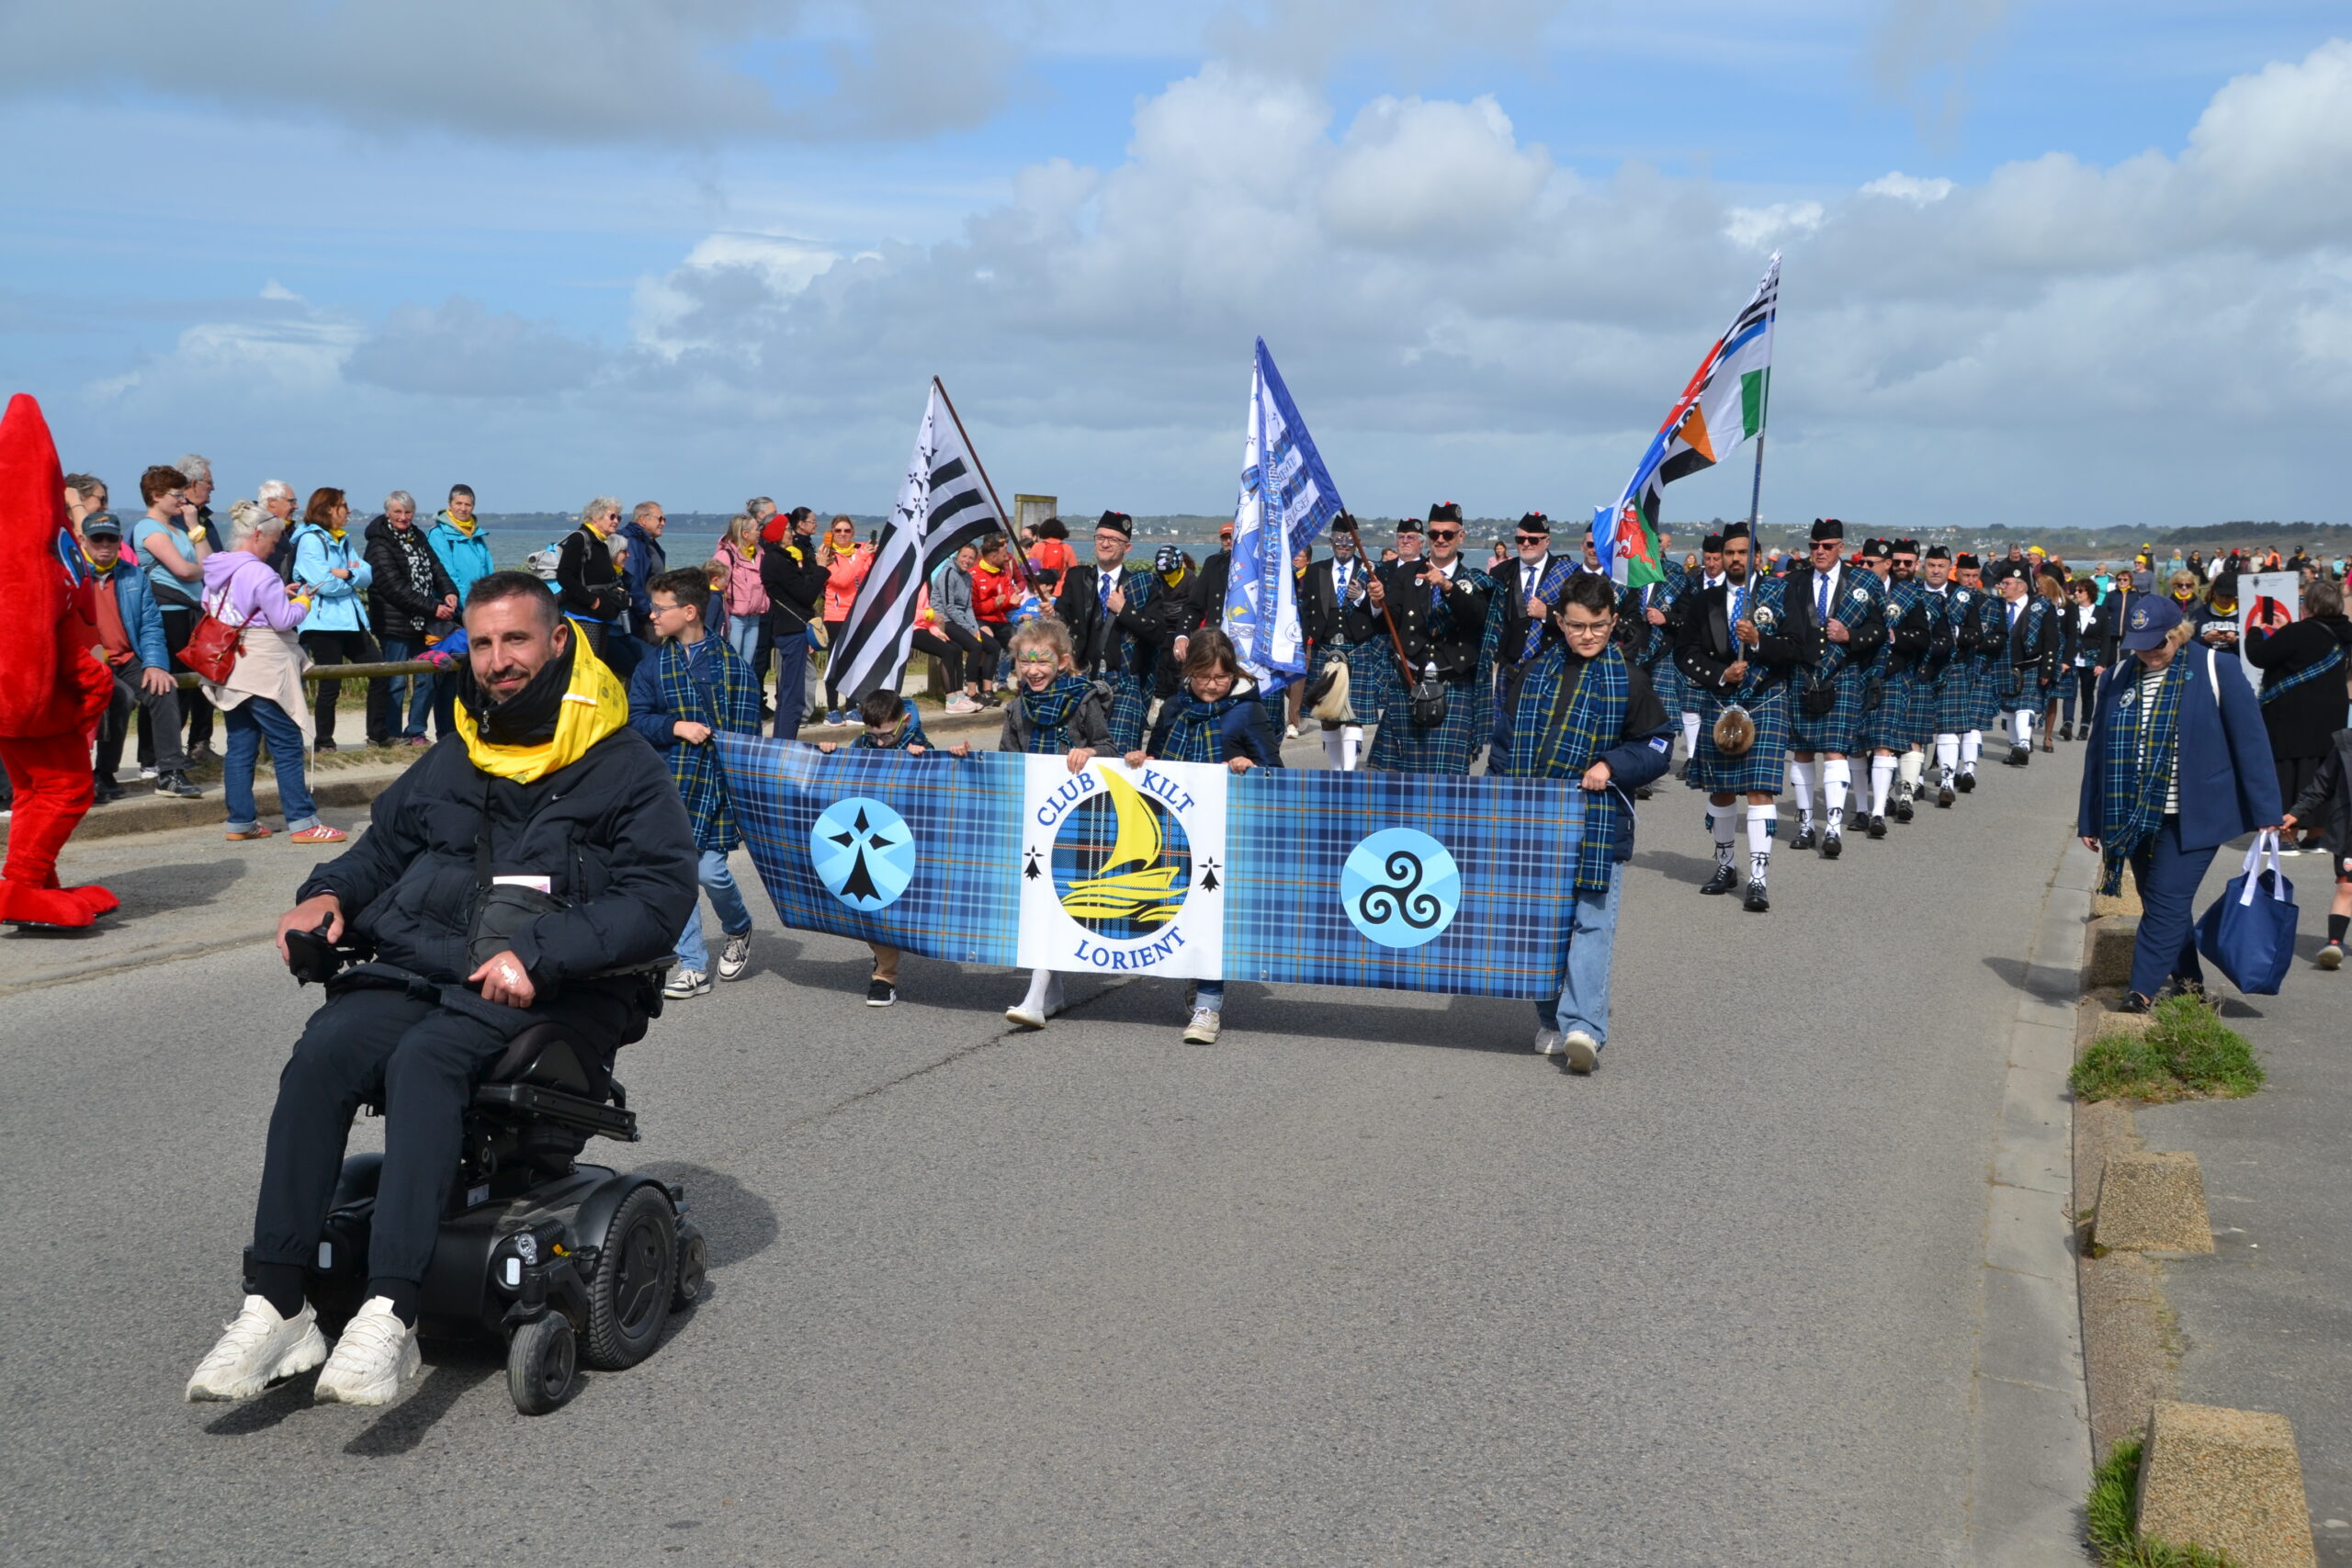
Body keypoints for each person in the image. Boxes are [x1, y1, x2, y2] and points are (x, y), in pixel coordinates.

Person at [184, 570, 695, 1407]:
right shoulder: (460, 747)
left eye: (516, 639)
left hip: (552, 989)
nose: (497, 660)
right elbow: (383, 848)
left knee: (426, 1060)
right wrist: (327, 894)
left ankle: (392, 1310)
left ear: (557, 640)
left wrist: (541, 954)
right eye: (483, 643)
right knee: (324, 1051)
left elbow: (659, 896)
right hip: (428, 967)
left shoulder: (621, 762)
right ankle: (276, 1303)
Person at [1496, 571, 1673, 1070]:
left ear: (1613, 621)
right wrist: (1495, 804)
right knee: (1538, 926)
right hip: (1532, 820)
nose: (1588, 635)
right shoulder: (1531, 674)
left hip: (1599, 822)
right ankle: (1551, 1020)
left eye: (1598, 625)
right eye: (1576, 626)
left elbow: (1658, 745)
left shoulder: (1631, 680)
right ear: (1559, 621)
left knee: (1592, 924)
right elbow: (1504, 748)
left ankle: (1583, 1028)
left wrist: (1612, 765)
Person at [2080, 596, 2282, 1012]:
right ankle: (2189, 986)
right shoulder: (2116, 676)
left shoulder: (2216, 668)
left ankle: (2140, 991)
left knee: (2168, 899)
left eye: (2158, 644)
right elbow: (2097, 753)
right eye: (2140, 646)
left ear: (2179, 633)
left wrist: (2267, 812)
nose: (2149, 653)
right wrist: (2090, 817)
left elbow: (2251, 742)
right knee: (2159, 902)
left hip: (2197, 814)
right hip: (2132, 813)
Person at [1125, 628, 1279, 1045]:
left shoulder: (1248, 711)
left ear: (1234, 674)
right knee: (1179, 911)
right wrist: (1140, 760)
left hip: (1225, 832)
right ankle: (1195, 973)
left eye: (1221, 677)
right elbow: (1157, 760)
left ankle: (1209, 1004)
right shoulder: (1174, 707)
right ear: (1188, 672)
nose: (1212, 685)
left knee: (1213, 917)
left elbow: (1276, 772)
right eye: (1203, 676)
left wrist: (1250, 767)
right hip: (1175, 831)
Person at [627, 568, 763, 999]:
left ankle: (738, 926)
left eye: (659, 608)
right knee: (680, 873)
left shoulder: (737, 669)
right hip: (669, 783)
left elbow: (748, 737)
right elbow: (635, 719)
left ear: (689, 612)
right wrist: (675, 727)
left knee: (710, 872)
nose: (652, 615)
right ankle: (692, 966)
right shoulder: (652, 665)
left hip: (719, 784)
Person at [993, 616, 1113, 1031]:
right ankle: (1053, 991)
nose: (1033, 670)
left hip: (1075, 819)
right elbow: (1007, 761)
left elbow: (1109, 747)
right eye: (1025, 661)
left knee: (1053, 898)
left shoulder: (1083, 700)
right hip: (1032, 817)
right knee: (1038, 901)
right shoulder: (1016, 708)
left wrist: (1090, 753)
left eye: (1042, 661)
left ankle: (1034, 997)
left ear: (1062, 662)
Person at [201, 501, 344, 846]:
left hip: (231, 667)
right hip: (263, 668)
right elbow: (282, 620)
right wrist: (302, 603)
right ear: (256, 535)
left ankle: (240, 820)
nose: (275, 548)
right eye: (273, 540)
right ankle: (303, 821)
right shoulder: (260, 572)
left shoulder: (217, 567)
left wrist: (278, 595)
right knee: (287, 743)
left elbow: (226, 608)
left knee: (241, 745)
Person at [1673, 521, 1790, 911]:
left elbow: (1799, 648)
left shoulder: (1779, 593)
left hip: (1766, 697)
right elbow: (1685, 652)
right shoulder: (1704, 600)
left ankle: (1758, 878)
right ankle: (1725, 866)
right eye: (1730, 553)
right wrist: (1721, 673)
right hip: (1721, 698)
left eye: (1743, 552)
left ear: (1756, 556)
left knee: (1759, 790)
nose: (1736, 559)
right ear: (1721, 557)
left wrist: (1759, 642)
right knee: (1721, 789)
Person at [817, 688, 937, 1005]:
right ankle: (884, 972)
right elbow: (843, 776)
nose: (880, 743)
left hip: (907, 839)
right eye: (873, 735)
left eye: (886, 735)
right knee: (872, 902)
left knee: (899, 905)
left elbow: (943, 783)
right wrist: (830, 755)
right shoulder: (864, 744)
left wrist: (926, 761)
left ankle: (885, 973)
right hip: (870, 836)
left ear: (904, 720)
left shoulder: (920, 745)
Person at [79, 513, 203, 801]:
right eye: (98, 538)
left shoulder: (134, 575)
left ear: (120, 541)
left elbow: (150, 625)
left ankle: (170, 773)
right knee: (119, 697)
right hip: (87, 663)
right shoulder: (72, 575)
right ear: (83, 541)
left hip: (126, 657)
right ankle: (103, 774)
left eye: (111, 538)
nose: (105, 544)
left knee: (164, 688)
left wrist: (155, 664)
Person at [1364, 505, 1496, 776]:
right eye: (1435, 533)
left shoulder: (1474, 579)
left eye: (1448, 534)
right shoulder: (1407, 574)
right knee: (1399, 780)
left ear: (1461, 536)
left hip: (1453, 686)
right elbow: (1387, 623)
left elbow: (1478, 618)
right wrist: (1377, 602)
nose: (1440, 539)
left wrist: (1448, 588)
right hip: (1409, 684)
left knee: (1446, 781)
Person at [1781, 518, 1885, 858]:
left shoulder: (1864, 581)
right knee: (1801, 750)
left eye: (1827, 546)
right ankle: (1806, 826)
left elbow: (1879, 629)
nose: (1819, 552)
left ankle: (1833, 829)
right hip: (1803, 673)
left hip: (1843, 673)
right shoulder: (1794, 581)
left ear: (1841, 547)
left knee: (1835, 751)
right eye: (1814, 546)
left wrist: (1850, 636)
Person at [2246, 576, 2352, 852]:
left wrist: (2255, 630)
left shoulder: (2297, 633)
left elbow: (2259, 656)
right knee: (2325, 770)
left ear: (2310, 606)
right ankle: (2317, 835)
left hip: (2293, 714)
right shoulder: (2346, 631)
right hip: (2333, 709)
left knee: (2289, 772)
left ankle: (2287, 837)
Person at [131, 463, 216, 764]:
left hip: (191, 612)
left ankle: (171, 753)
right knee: (165, 684)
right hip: (167, 612)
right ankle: (151, 757)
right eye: (176, 494)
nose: (182, 500)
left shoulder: (179, 529)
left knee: (187, 686)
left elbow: (210, 563)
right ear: (156, 496)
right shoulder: (147, 528)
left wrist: (194, 526)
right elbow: (183, 570)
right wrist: (200, 568)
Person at [1054, 512, 1159, 752]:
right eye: (1100, 537)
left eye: (1113, 539)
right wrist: (1051, 615)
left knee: (1118, 756)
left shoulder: (1143, 584)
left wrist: (1124, 610)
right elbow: (1061, 619)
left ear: (1127, 547)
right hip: (1080, 677)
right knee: (1076, 753)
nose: (1105, 543)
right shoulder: (1077, 577)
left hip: (1123, 682)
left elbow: (1157, 633)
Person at [1486, 512, 1579, 777]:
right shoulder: (1501, 571)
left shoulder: (1568, 572)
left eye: (1533, 539)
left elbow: (1579, 616)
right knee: (1508, 734)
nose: (1526, 544)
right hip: (1511, 667)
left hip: (1551, 665)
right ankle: (1505, 780)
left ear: (1547, 541)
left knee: (1546, 735)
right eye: (1520, 539)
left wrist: (1547, 612)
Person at [365, 491, 459, 746]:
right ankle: (392, 733)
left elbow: (436, 567)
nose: (403, 517)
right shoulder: (379, 544)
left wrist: (449, 591)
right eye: (398, 512)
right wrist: (433, 608)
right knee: (395, 680)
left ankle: (416, 731)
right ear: (388, 513)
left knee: (427, 676)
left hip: (422, 623)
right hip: (393, 622)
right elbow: (394, 588)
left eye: (408, 512)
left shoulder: (417, 535)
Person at [288, 487, 376, 752]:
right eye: (343, 506)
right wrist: (350, 578)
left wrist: (346, 574)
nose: (349, 511)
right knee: (331, 683)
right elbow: (323, 584)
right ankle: (324, 741)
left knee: (381, 670)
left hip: (350, 619)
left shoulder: (343, 539)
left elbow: (367, 574)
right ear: (328, 509)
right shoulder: (311, 540)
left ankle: (378, 734)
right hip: (322, 623)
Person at [1299, 514, 1386, 772]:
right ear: (1331, 542)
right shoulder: (1316, 570)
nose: (1344, 546)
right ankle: (1336, 771)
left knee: (1353, 715)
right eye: (1339, 540)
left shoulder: (1371, 570)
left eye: (1349, 541)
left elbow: (1381, 612)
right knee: (1327, 714)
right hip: (1324, 648)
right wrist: (1302, 644)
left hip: (1358, 647)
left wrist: (1362, 598)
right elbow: (1305, 611)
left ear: (1357, 543)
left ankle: (1348, 772)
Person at [2280, 720, 2352, 967]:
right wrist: (2296, 813)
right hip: (2349, 830)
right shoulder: (2346, 744)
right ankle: (2334, 944)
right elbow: (2322, 784)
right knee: (2347, 887)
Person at [758, 505, 825, 739]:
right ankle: (785, 743)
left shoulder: (777, 559)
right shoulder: (778, 561)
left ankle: (784, 740)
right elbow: (805, 594)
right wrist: (821, 568)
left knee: (789, 691)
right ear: (777, 534)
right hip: (791, 630)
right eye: (787, 529)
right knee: (792, 694)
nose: (791, 533)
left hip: (788, 628)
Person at [1990, 569, 2060, 767]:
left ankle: (2023, 744)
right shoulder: (1996, 606)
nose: (2003, 587)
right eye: (2002, 583)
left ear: (2021, 587)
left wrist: (2047, 669)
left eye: (2007, 584)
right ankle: (2015, 748)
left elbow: (2052, 640)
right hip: (2003, 665)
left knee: (2025, 706)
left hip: (2030, 664)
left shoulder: (2041, 607)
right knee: (2008, 709)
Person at [815, 514, 875, 723]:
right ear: (832, 532)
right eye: (838, 530)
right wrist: (862, 557)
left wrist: (870, 554)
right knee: (836, 664)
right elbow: (841, 580)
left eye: (847, 530)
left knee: (854, 663)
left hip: (859, 615)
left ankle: (851, 706)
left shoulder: (860, 552)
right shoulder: (827, 554)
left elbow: (869, 576)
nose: (842, 534)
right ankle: (832, 709)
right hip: (837, 616)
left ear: (853, 532)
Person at [920, 544, 990, 713]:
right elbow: (949, 607)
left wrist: (974, 627)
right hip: (944, 619)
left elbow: (968, 607)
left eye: (971, 558)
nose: (967, 560)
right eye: (964, 556)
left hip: (957, 619)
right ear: (957, 556)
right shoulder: (948, 573)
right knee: (973, 646)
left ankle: (960, 695)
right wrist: (968, 628)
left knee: (982, 646)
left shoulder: (967, 577)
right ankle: (966, 693)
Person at [554, 497, 628, 657]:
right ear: (595, 517)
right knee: (587, 663)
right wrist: (592, 601)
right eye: (612, 516)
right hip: (585, 617)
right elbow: (564, 576)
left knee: (598, 664)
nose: (616, 521)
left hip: (600, 616)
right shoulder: (580, 539)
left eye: (619, 517)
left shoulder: (600, 543)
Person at [707, 513, 769, 675]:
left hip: (754, 616)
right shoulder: (726, 555)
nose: (759, 532)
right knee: (731, 663)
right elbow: (716, 583)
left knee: (747, 665)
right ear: (745, 533)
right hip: (734, 617)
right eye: (757, 529)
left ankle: (742, 690)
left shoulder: (759, 553)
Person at [617, 500, 669, 647]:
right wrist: (646, 612)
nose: (663, 523)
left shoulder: (648, 542)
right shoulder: (633, 542)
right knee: (646, 654)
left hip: (650, 613)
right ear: (643, 520)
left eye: (664, 520)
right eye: (660, 519)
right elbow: (631, 580)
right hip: (641, 617)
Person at [2060, 578, 2104, 742]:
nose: (2076, 593)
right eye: (2075, 590)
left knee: (2087, 695)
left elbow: (2106, 639)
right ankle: (2067, 724)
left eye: (2080, 591)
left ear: (2089, 593)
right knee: (2069, 693)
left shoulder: (2101, 612)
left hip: (2091, 659)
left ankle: (2085, 726)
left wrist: (2102, 663)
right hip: (2072, 658)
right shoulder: (2071, 610)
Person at [177, 452, 223, 552]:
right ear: (194, 484)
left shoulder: (204, 518)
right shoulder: (177, 517)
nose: (213, 488)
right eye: (209, 483)